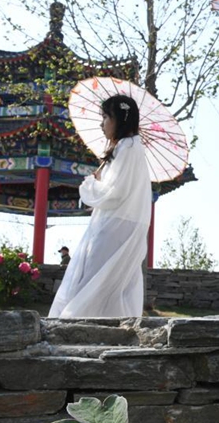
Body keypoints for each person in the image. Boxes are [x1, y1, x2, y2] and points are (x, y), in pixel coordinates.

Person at [49, 94, 152, 318]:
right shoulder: (129, 148)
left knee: (95, 276)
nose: (101, 123)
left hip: (116, 226)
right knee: (112, 280)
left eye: (106, 117)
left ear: (120, 119)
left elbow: (114, 193)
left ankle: (79, 321)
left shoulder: (127, 147)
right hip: (123, 223)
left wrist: (89, 187)